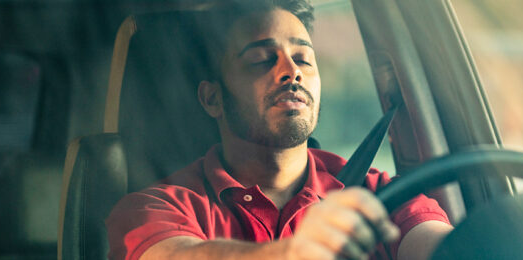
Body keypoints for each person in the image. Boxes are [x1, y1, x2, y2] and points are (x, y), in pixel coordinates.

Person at [106, 1, 452, 259]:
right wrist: (294, 254)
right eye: (260, 59)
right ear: (212, 99)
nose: (291, 72)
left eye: (303, 59)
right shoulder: (152, 208)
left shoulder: (379, 194)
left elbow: (443, 245)